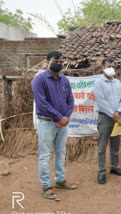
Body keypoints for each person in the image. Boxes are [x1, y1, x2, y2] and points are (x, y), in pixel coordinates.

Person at [31, 51, 77, 200]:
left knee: (60, 153)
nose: (59, 63)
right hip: (46, 123)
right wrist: (59, 118)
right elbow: (42, 103)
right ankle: (46, 186)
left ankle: (60, 180)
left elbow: (71, 100)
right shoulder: (39, 80)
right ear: (47, 61)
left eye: (61, 61)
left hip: (63, 123)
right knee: (44, 155)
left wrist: (66, 117)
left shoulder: (64, 80)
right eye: (56, 60)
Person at [93, 57, 121, 184]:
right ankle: (101, 171)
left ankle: (114, 167)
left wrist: (118, 111)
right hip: (105, 117)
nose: (111, 68)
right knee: (102, 145)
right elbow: (101, 101)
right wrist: (112, 113)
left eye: (113, 66)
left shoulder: (117, 82)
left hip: (117, 116)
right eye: (108, 66)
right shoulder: (98, 83)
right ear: (103, 68)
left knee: (115, 143)